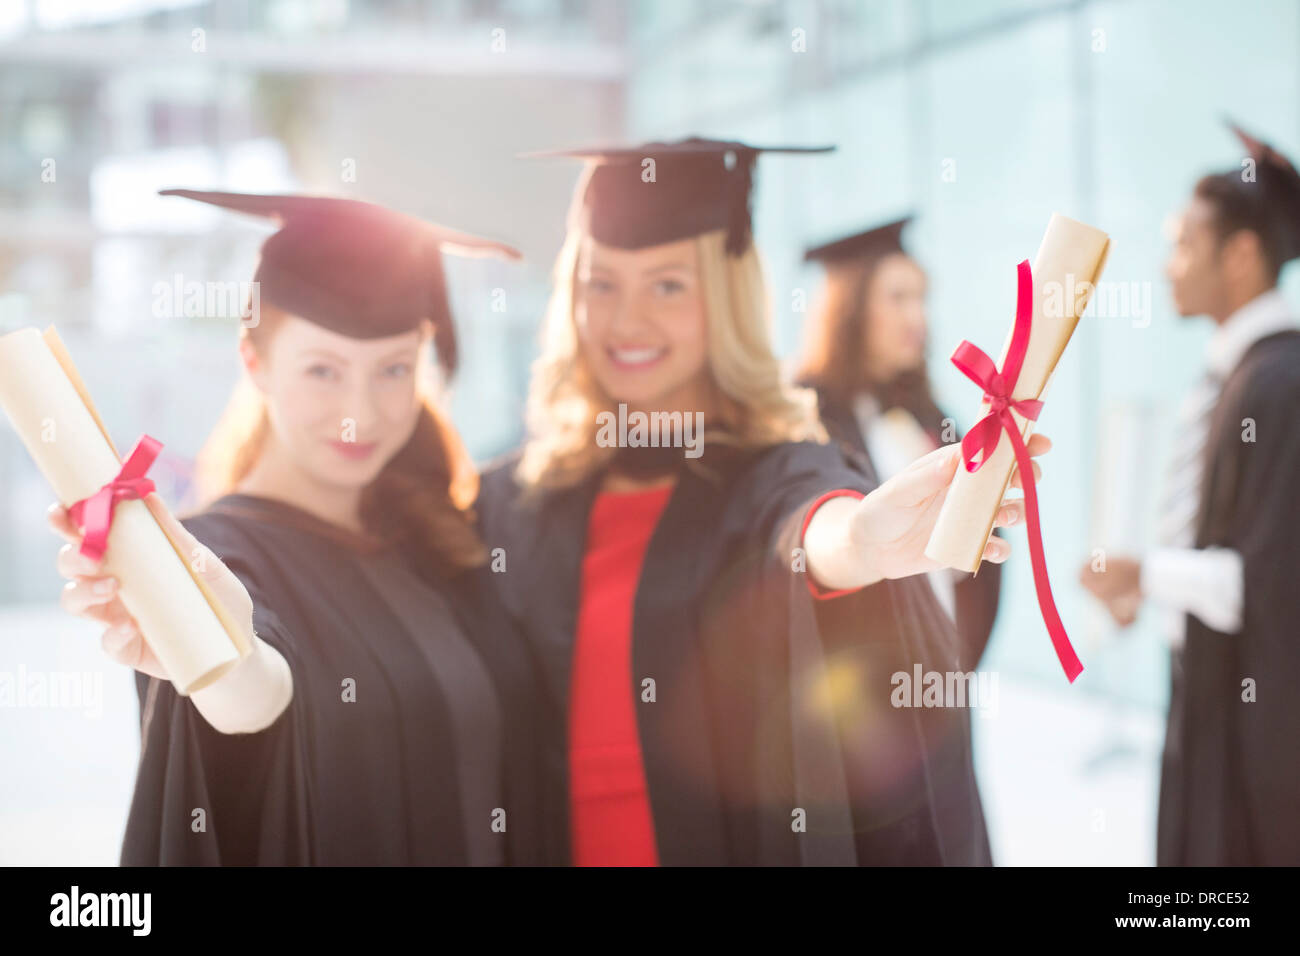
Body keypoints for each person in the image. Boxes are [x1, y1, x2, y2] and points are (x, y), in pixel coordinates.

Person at [479, 138, 1047, 866]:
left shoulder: (764, 470)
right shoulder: (515, 500)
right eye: (601, 284)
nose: (626, 321)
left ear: (725, 298)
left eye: (668, 286)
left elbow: (805, 519)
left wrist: (861, 540)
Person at [48, 190, 545, 865]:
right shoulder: (218, 557)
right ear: (254, 362)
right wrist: (224, 657)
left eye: (394, 370)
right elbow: (254, 695)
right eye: (322, 371)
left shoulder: (442, 540)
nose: (359, 413)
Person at [1079, 121, 1300, 865]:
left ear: (1240, 254)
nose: (1168, 266)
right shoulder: (1242, 375)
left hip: (1257, 725)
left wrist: (1143, 572)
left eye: (1182, 244)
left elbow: (1269, 583)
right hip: (1212, 695)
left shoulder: (1280, 385)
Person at [797, 215, 1002, 670]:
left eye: (922, 298)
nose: (918, 317)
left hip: (942, 669)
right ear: (849, 308)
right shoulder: (804, 417)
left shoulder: (929, 415)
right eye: (898, 298)